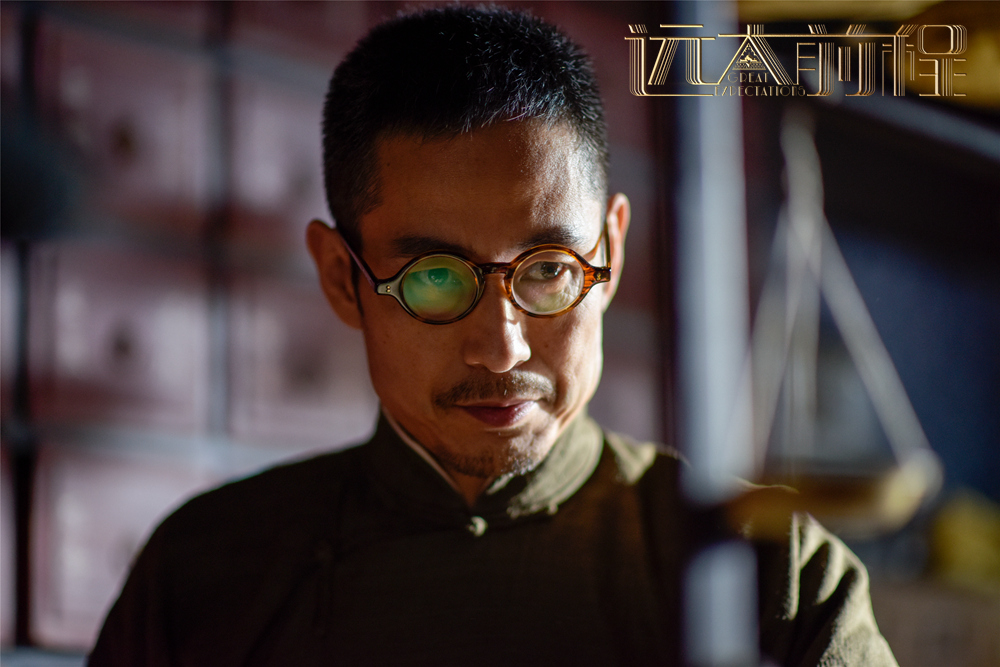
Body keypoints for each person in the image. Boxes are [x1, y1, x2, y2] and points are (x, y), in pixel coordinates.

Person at [89, 7, 897, 666]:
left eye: (548, 270)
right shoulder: (205, 571)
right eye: (435, 278)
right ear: (342, 277)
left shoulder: (770, 570)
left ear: (610, 255)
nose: (503, 349)